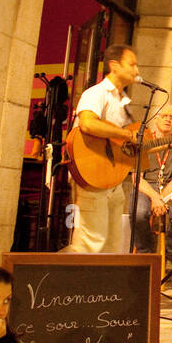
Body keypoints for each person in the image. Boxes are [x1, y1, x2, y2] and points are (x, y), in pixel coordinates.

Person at [64, 44, 139, 253]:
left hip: (112, 179)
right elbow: (88, 124)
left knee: (112, 245)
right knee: (90, 242)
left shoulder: (123, 102)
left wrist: (170, 142)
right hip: (92, 175)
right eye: (131, 64)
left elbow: (117, 143)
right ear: (114, 66)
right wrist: (125, 134)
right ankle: (67, 281)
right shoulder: (96, 93)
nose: (137, 70)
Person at [130, 104, 172, 264]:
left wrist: (162, 198)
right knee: (138, 213)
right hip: (147, 186)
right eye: (164, 116)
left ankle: (169, 256)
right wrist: (154, 198)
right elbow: (137, 178)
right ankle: (145, 256)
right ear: (156, 119)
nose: (167, 119)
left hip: (171, 187)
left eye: (171, 117)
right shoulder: (143, 141)